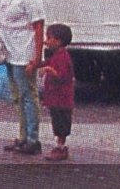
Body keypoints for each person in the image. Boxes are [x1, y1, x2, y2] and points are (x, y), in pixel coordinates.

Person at [0, 0, 46, 155]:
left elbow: (38, 26)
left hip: (24, 53)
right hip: (10, 52)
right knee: (17, 96)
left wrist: (36, 58)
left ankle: (32, 138)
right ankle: (22, 135)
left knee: (29, 95)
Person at [39, 23, 75, 161]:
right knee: (57, 122)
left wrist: (47, 69)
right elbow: (47, 62)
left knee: (61, 124)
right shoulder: (57, 55)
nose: (46, 41)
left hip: (62, 99)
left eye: (49, 38)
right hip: (56, 98)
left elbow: (62, 76)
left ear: (58, 41)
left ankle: (61, 147)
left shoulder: (63, 58)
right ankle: (59, 146)